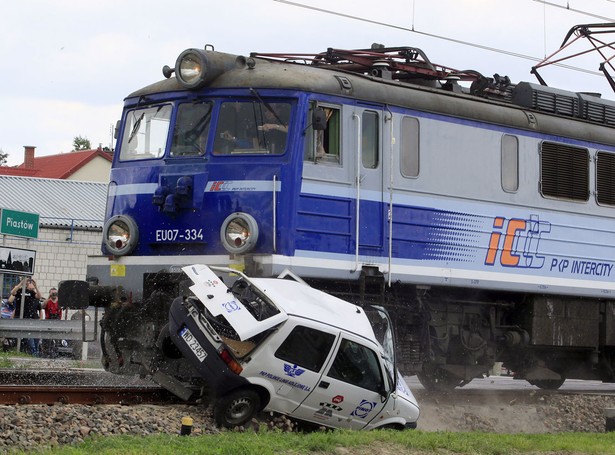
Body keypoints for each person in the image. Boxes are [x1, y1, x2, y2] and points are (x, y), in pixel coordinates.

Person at [8, 277, 42, 357]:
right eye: (28, 282)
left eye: (30, 282)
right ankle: (33, 355)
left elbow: (39, 297)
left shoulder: (31, 293)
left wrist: (36, 286)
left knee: (36, 340)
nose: (29, 283)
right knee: (30, 341)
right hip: (22, 318)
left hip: (32, 319)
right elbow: (12, 292)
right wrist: (21, 283)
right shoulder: (20, 291)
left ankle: (35, 355)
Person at [41, 288, 62, 357]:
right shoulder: (48, 301)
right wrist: (49, 297)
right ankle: (46, 353)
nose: (54, 295)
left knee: (57, 340)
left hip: (57, 322)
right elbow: (42, 306)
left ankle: (56, 353)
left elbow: (65, 306)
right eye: (53, 293)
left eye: (55, 293)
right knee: (47, 339)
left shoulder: (60, 301)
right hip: (48, 322)